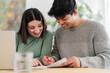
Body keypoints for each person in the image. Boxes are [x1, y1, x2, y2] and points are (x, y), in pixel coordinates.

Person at [42, 0, 110, 69]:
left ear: (75, 13)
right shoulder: (59, 32)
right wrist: (52, 60)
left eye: (64, 18)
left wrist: (81, 62)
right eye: (57, 19)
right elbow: (56, 54)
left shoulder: (96, 28)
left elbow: (107, 58)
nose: (61, 23)